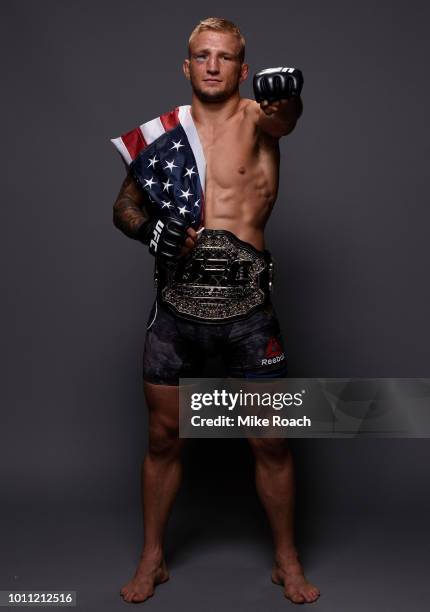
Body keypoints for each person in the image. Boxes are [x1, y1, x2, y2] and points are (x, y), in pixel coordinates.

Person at [112, 17, 320, 605]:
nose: (211, 65)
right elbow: (123, 207)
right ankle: (153, 557)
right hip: (174, 311)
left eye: (224, 57)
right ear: (187, 66)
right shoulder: (163, 136)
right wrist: (151, 230)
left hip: (249, 312)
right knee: (163, 438)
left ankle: (286, 557)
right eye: (201, 56)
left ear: (241, 69)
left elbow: (286, 117)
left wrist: (287, 96)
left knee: (271, 440)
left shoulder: (260, 121)